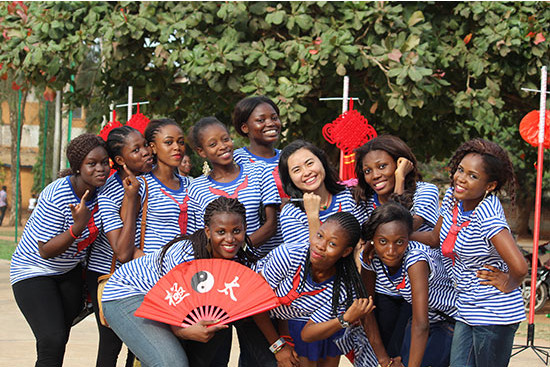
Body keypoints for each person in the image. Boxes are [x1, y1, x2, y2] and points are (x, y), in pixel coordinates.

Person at [102, 197, 297, 367]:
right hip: (128, 294)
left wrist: (279, 346)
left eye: (236, 231)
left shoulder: (241, 260)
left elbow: (255, 305)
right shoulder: (185, 254)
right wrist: (183, 332)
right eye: (221, 232)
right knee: (171, 363)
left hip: (169, 308)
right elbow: (167, 302)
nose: (230, 239)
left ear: (245, 229)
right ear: (208, 231)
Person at [412, 138, 528, 367]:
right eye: (460, 170)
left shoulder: (487, 214)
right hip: (466, 308)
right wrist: (402, 236)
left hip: (493, 313)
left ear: (490, 185)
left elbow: (520, 266)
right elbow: (436, 239)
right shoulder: (454, 200)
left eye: (473, 176)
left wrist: (508, 282)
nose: (461, 178)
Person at [10, 133, 109, 366]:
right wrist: (78, 227)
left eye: (105, 162)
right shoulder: (58, 194)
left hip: (69, 272)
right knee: (51, 339)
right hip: (33, 270)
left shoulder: (104, 190)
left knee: (58, 339)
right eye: (92, 164)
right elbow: (45, 250)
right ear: (77, 167)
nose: (101, 169)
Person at [354, 135, 440, 358]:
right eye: (368, 171)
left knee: (407, 353)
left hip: (418, 291)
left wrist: (400, 180)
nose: (375, 176)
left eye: (383, 166)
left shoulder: (425, 191)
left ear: (400, 163)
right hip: (384, 291)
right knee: (383, 356)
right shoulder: (365, 201)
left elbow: (402, 227)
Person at [256, 211, 375, 367]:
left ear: (346, 252)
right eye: (319, 236)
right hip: (253, 311)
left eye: (332, 244)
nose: (320, 246)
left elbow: (307, 334)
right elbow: (256, 302)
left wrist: (344, 319)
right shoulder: (289, 255)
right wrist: (278, 347)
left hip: (290, 317)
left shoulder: (341, 289)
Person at [87, 126, 153, 367]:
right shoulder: (109, 191)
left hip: (143, 273)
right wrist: (131, 199)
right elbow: (121, 250)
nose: (146, 152)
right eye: (136, 150)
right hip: (109, 273)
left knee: (139, 345)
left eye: (145, 145)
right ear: (120, 160)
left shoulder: (155, 180)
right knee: (111, 343)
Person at [361, 201, 457, 367]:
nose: (391, 251)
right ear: (372, 240)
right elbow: (366, 310)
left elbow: (421, 323)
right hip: (426, 319)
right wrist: (384, 360)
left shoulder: (415, 259)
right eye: (383, 241)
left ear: (408, 238)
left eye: (399, 242)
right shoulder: (371, 258)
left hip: (450, 319)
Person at [186, 116, 280, 257]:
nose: (223, 146)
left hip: (259, 260)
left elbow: (272, 223)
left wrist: (240, 250)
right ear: (202, 152)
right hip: (220, 265)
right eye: (213, 144)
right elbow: (200, 234)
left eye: (225, 139)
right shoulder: (196, 188)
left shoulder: (259, 171)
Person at [120, 118, 190, 257]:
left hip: (185, 271)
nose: (177, 147)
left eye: (181, 142)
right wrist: (153, 267)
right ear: (153, 147)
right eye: (168, 142)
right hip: (152, 271)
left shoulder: (191, 185)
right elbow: (126, 241)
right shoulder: (140, 186)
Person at [278, 139, 363, 245]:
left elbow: (362, 242)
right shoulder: (291, 214)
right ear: (289, 179)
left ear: (322, 162)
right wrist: (313, 216)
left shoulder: (350, 196)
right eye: (297, 170)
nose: (307, 172)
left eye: (309, 163)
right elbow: (310, 259)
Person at [233, 95, 287, 257]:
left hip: (288, 247)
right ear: (245, 128)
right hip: (251, 251)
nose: (270, 123)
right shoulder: (236, 160)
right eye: (261, 120)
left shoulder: (289, 158)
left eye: (274, 118)